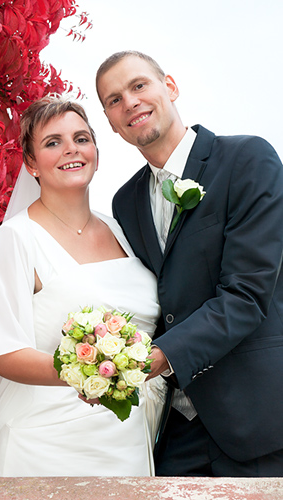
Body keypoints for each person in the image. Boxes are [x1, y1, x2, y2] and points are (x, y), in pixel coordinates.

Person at [0, 97, 165, 477]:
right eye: (52, 142)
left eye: (81, 138)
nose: (71, 149)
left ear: (96, 151)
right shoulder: (15, 239)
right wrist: (91, 369)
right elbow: (0, 352)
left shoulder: (120, 229)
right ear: (31, 164)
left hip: (126, 438)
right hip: (45, 445)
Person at [95, 50, 283, 477]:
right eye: (114, 100)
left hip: (259, 420)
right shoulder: (125, 202)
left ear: (171, 87)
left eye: (139, 85)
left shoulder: (248, 160)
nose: (130, 103)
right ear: (110, 121)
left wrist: (159, 357)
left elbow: (247, 294)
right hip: (177, 430)